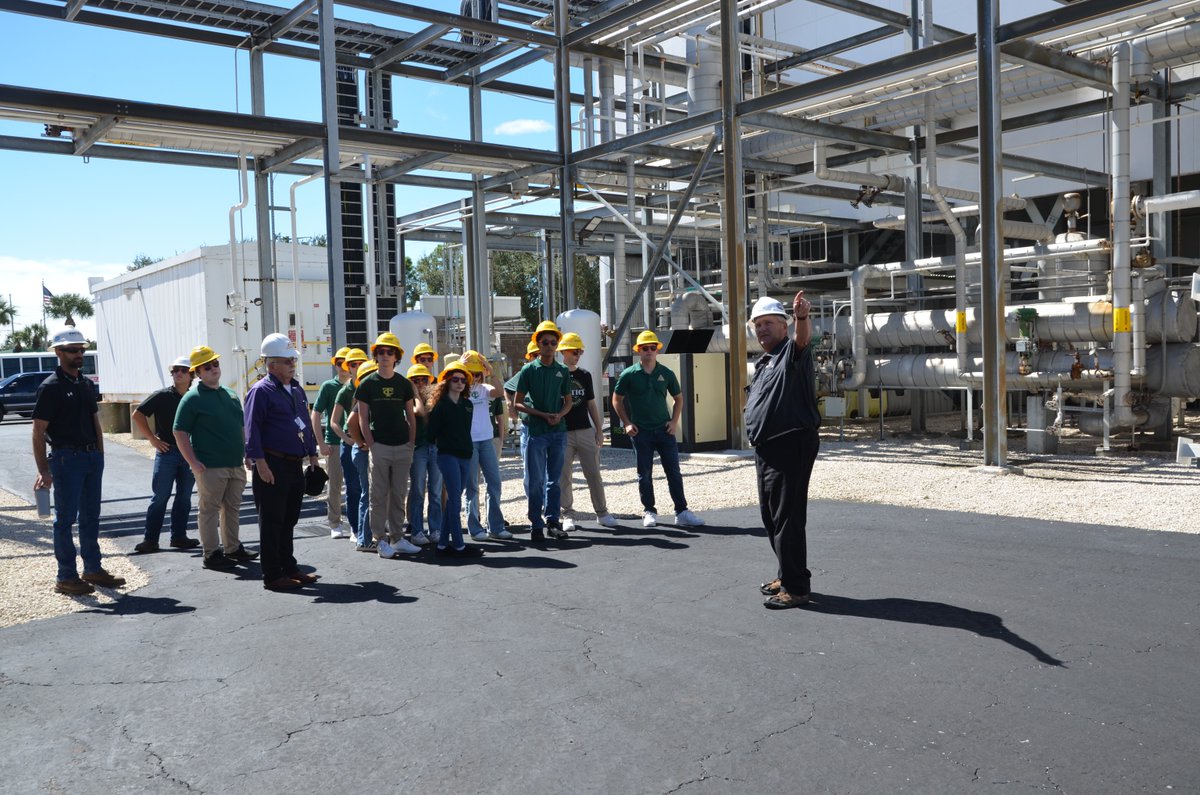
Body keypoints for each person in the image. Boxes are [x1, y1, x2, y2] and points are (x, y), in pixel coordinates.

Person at [31, 327, 126, 596]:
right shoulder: (50, 387)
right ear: (58, 353)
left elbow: (95, 421)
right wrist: (43, 470)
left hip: (90, 458)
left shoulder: (85, 384)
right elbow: (38, 431)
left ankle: (92, 569)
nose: (79, 354)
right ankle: (66, 577)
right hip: (65, 459)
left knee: (90, 517)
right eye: (73, 350)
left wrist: (100, 454)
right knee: (65, 520)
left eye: (82, 349)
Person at [744, 292, 821, 610]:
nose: (762, 329)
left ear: (784, 325)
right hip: (768, 448)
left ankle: (796, 587)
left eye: (768, 323)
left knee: (787, 518)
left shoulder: (792, 350)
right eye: (758, 324)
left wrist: (801, 317)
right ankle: (786, 573)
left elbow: (804, 340)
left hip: (791, 444)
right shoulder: (765, 361)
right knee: (772, 517)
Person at [244, 333, 322, 591]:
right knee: (272, 520)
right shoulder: (260, 391)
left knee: (289, 518)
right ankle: (273, 575)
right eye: (287, 360)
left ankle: (288, 566)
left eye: (293, 360)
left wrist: (312, 453)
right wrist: (260, 463)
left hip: (293, 464)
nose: (292, 364)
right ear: (271, 364)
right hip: (272, 464)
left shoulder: (297, 389)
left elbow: (306, 422)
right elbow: (251, 429)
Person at [174, 345, 257, 571]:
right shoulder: (192, 398)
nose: (213, 368)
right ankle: (211, 553)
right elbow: (179, 431)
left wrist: (247, 453)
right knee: (209, 509)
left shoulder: (229, 394)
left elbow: (241, 427)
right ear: (197, 373)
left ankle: (232, 548)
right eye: (206, 366)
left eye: (215, 364)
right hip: (209, 465)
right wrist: (192, 462)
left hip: (234, 464)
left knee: (232, 507)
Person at [612, 330, 705, 529]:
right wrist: (627, 422)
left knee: (674, 472)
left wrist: (674, 421)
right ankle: (649, 511)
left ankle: (681, 511)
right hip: (641, 432)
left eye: (652, 348)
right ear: (638, 351)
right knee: (644, 473)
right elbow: (616, 399)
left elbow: (678, 398)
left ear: (657, 351)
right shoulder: (629, 375)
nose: (649, 351)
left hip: (664, 430)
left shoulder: (666, 373)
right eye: (645, 348)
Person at [357, 332, 421, 559]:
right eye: (381, 352)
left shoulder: (404, 383)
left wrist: (411, 443)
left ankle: (397, 538)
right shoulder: (367, 384)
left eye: (390, 351)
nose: (385, 355)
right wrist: (372, 445)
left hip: (403, 445)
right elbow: (362, 419)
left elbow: (411, 417)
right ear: (376, 356)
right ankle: (379, 540)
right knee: (378, 495)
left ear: (397, 356)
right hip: (380, 446)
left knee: (399, 493)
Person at [131, 355, 201, 553]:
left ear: (191, 375)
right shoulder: (162, 395)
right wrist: (152, 439)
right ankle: (150, 539)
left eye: (183, 370)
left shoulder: (194, 397)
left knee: (184, 497)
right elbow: (137, 414)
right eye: (175, 370)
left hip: (188, 453)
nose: (178, 373)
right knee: (160, 496)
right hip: (167, 452)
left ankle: (179, 537)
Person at [513, 321, 573, 542]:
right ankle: (536, 524)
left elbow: (568, 401)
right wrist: (541, 414)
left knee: (554, 480)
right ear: (537, 344)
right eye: (545, 342)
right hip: (536, 431)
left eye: (553, 342)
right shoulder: (528, 370)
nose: (549, 346)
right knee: (536, 480)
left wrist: (560, 415)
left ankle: (553, 521)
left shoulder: (562, 371)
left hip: (558, 431)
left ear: (557, 345)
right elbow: (517, 404)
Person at [557, 333, 618, 532]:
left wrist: (599, 430)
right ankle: (567, 514)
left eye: (580, 351)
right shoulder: (555, 374)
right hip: (562, 432)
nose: (578, 355)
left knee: (594, 474)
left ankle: (602, 513)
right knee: (563, 476)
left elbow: (591, 404)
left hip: (585, 430)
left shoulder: (585, 375)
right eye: (575, 351)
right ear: (564, 352)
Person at [425, 363, 483, 557]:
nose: (459, 383)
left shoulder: (467, 404)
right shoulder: (440, 406)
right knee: (455, 499)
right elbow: (431, 433)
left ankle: (442, 545)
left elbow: (465, 430)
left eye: (463, 380)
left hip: (465, 454)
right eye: (455, 379)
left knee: (453, 500)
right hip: (447, 455)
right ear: (448, 382)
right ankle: (459, 545)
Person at [461, 350, 512, 541]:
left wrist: (490, 370)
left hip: (486, 441)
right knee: (472, 487)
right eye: (470, 373)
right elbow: (444, 389)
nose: (473, 377)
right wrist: (459, 365)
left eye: (476, 373)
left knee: (494, 483)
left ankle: (496, 527)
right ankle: (475, 528)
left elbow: (500, 392)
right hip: (470, 442)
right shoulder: (459, 388)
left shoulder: (484, 388)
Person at [330, 348, 369, 547]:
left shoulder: (372, 384)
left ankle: (370, 527)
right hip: (353, 445)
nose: (357, 366)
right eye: (353, 364)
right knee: (354, 489)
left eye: (361, 363)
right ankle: (355, 529)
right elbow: (334, 421)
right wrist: (347, 439)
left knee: (372, 489)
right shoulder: (345, 390)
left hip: (371, 443)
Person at [312, 346, 352, 539]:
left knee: (358, 485)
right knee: (335, 485)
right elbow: (316, 413)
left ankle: (356, 522)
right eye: (339, 363)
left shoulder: (359, 384)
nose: (343, 367)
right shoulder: (329, 386)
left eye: (346, 363)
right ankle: (335, 522)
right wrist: (321, 443)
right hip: (335, 442)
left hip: (356, 442)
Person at [405, 363, 443, 546]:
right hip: (418, 448)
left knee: (435, 491)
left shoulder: (437, 399)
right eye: (415, 380)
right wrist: (414, 394)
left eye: (424, 379)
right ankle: (417, 529)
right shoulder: (407, 400)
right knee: (418, 491)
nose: (420, 382)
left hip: (435, 447)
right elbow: (419, 412)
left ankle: (435, 529)